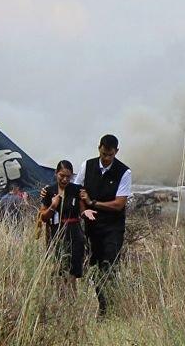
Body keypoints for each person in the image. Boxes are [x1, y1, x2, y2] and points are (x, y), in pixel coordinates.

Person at [75, 134, 132, 316]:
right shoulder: (87, 166)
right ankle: (102, 306)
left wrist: (93, 204)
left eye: (110, 155)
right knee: (96, 266)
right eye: (104, 153)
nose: (106, 158)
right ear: (99, 148)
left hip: (113, 228)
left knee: (109, 265)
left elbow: (119, 204)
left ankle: (109, 308)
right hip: (92, 227)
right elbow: (78, 191)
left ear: (117, 152)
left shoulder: (124, 172)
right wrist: (84, 210)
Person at [40, 160, 96, 293]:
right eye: (61, 176)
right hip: (56, 232)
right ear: (56, 174)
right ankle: (59, 299)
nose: (65, 179)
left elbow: (82, 211)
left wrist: (85, 212)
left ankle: (72, 300)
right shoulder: (49, 191)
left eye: (68, 176)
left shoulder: (76, 190)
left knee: (72, 270)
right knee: (58, 268)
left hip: (74, 232)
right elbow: (43, 216)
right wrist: (53, 206)